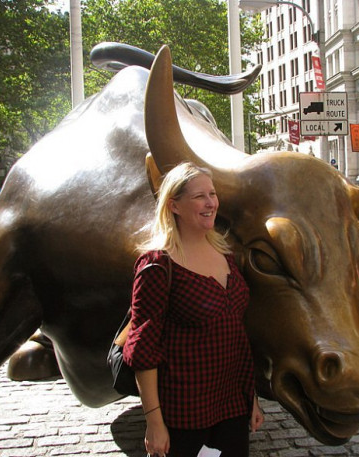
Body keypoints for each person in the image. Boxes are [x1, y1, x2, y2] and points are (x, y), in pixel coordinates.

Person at [122, 162, 264, 457]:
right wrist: (154, 422)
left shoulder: (226, 254)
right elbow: (143, 350)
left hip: (232, 408)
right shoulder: (157, 265)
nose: (211, 202)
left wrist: (251, 399)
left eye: (212, 194)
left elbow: (236, 334)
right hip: (183, 416)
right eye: (200, 196)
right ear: (174, 205)